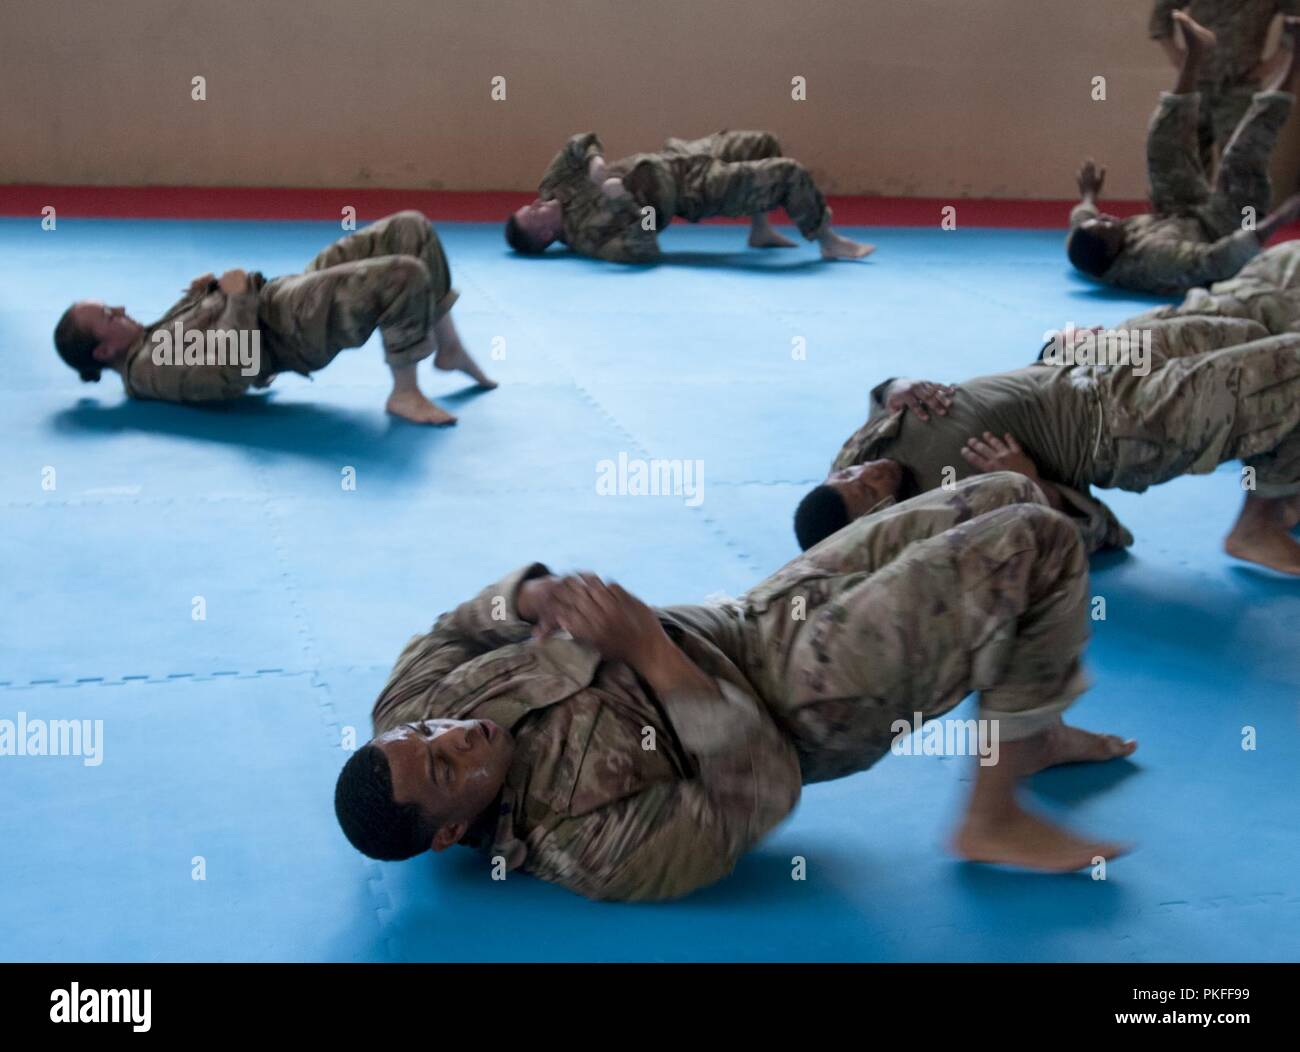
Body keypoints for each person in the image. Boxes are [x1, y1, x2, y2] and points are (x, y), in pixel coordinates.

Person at [335, 475, 1136, 903]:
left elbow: (452, 632)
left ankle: (1032, 729)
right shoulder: (581, 845)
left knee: (1005, 493)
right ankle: (990, 815)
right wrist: (649, 651)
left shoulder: (401, 714)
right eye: (444, 768)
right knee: (1036, 542)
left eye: (431, 732)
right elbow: (755, 792)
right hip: (808, 700)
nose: (454, 735)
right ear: (449, 833)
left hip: (749, 618)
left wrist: (529, 598)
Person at [794, 317, 1300, 575]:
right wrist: (1032, 484)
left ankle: (1280, 490)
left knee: (1252, 335)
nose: (867, 472)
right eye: (866, 489)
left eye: (848, 477)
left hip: (1085, 361)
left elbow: (880, 399)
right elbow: (1097, 531)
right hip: (1125, 423)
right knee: (1288, 370)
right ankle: (1255, 527)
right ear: (879, 520)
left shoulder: (851, 461)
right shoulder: (941, 523)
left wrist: (896, 386)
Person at [52, 211, 495, 425]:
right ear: (104, 350)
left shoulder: (148, 341)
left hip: (283, 296)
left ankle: (449, 348)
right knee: (404, 275)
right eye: (109, 315)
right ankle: (405, 392)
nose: (121, 309)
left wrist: (205, 294)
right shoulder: (148, 369)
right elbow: (233, 370)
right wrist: (238, 298)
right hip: (291, 329)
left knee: (410, 228)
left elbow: (203, 337)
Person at [1068, 12, 1300, 295]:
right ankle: (1295, 60)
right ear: (1112, 249)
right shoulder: (1156, 261)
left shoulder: (1091, 246)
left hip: (1178, 210)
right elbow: (1216, 262)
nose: (1108, 217)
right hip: (1226, 224)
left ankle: (1195, 55)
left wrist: (1089, 195)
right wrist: (1278, 219)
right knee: (1242, 151)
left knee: (1162, 143)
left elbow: (1081, 222)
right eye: (1105, 225)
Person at [505, 130, 873, 263]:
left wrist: (596, 162)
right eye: (533, 214)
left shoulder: (554, 186)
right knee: (788, 173)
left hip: (676, 156)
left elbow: (578, 142)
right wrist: (624, 202)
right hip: (691, 189)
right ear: (544, 237)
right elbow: (645, 248)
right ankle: (828, 240)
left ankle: (759, 230)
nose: (537, 204)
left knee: (762, 142)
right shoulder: (587, 237)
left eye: (530, 205)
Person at [1150, 0, 1299, 170]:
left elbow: (1295, 15)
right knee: (1190, 162)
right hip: (1198, 81)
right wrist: (1175, 54)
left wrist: (1277, 60)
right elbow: (1163, 10)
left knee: (1239, 162)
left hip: (1240, 83)